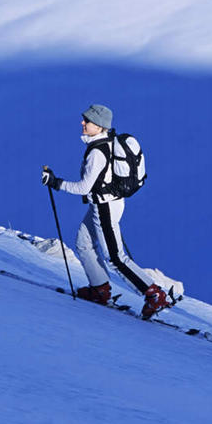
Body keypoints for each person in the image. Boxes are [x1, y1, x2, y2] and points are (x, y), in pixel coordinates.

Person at [41, 104, 170, 319]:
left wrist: (55, 183)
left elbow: (84, 187)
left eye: (87, 121)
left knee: (116, 258)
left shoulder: (97, 152)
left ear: (99, 126)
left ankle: (155, 295)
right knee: (83, 243)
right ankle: (99, 289)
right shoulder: (106, 143)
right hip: (105, 204)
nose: (82, 123)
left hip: (104, 207)